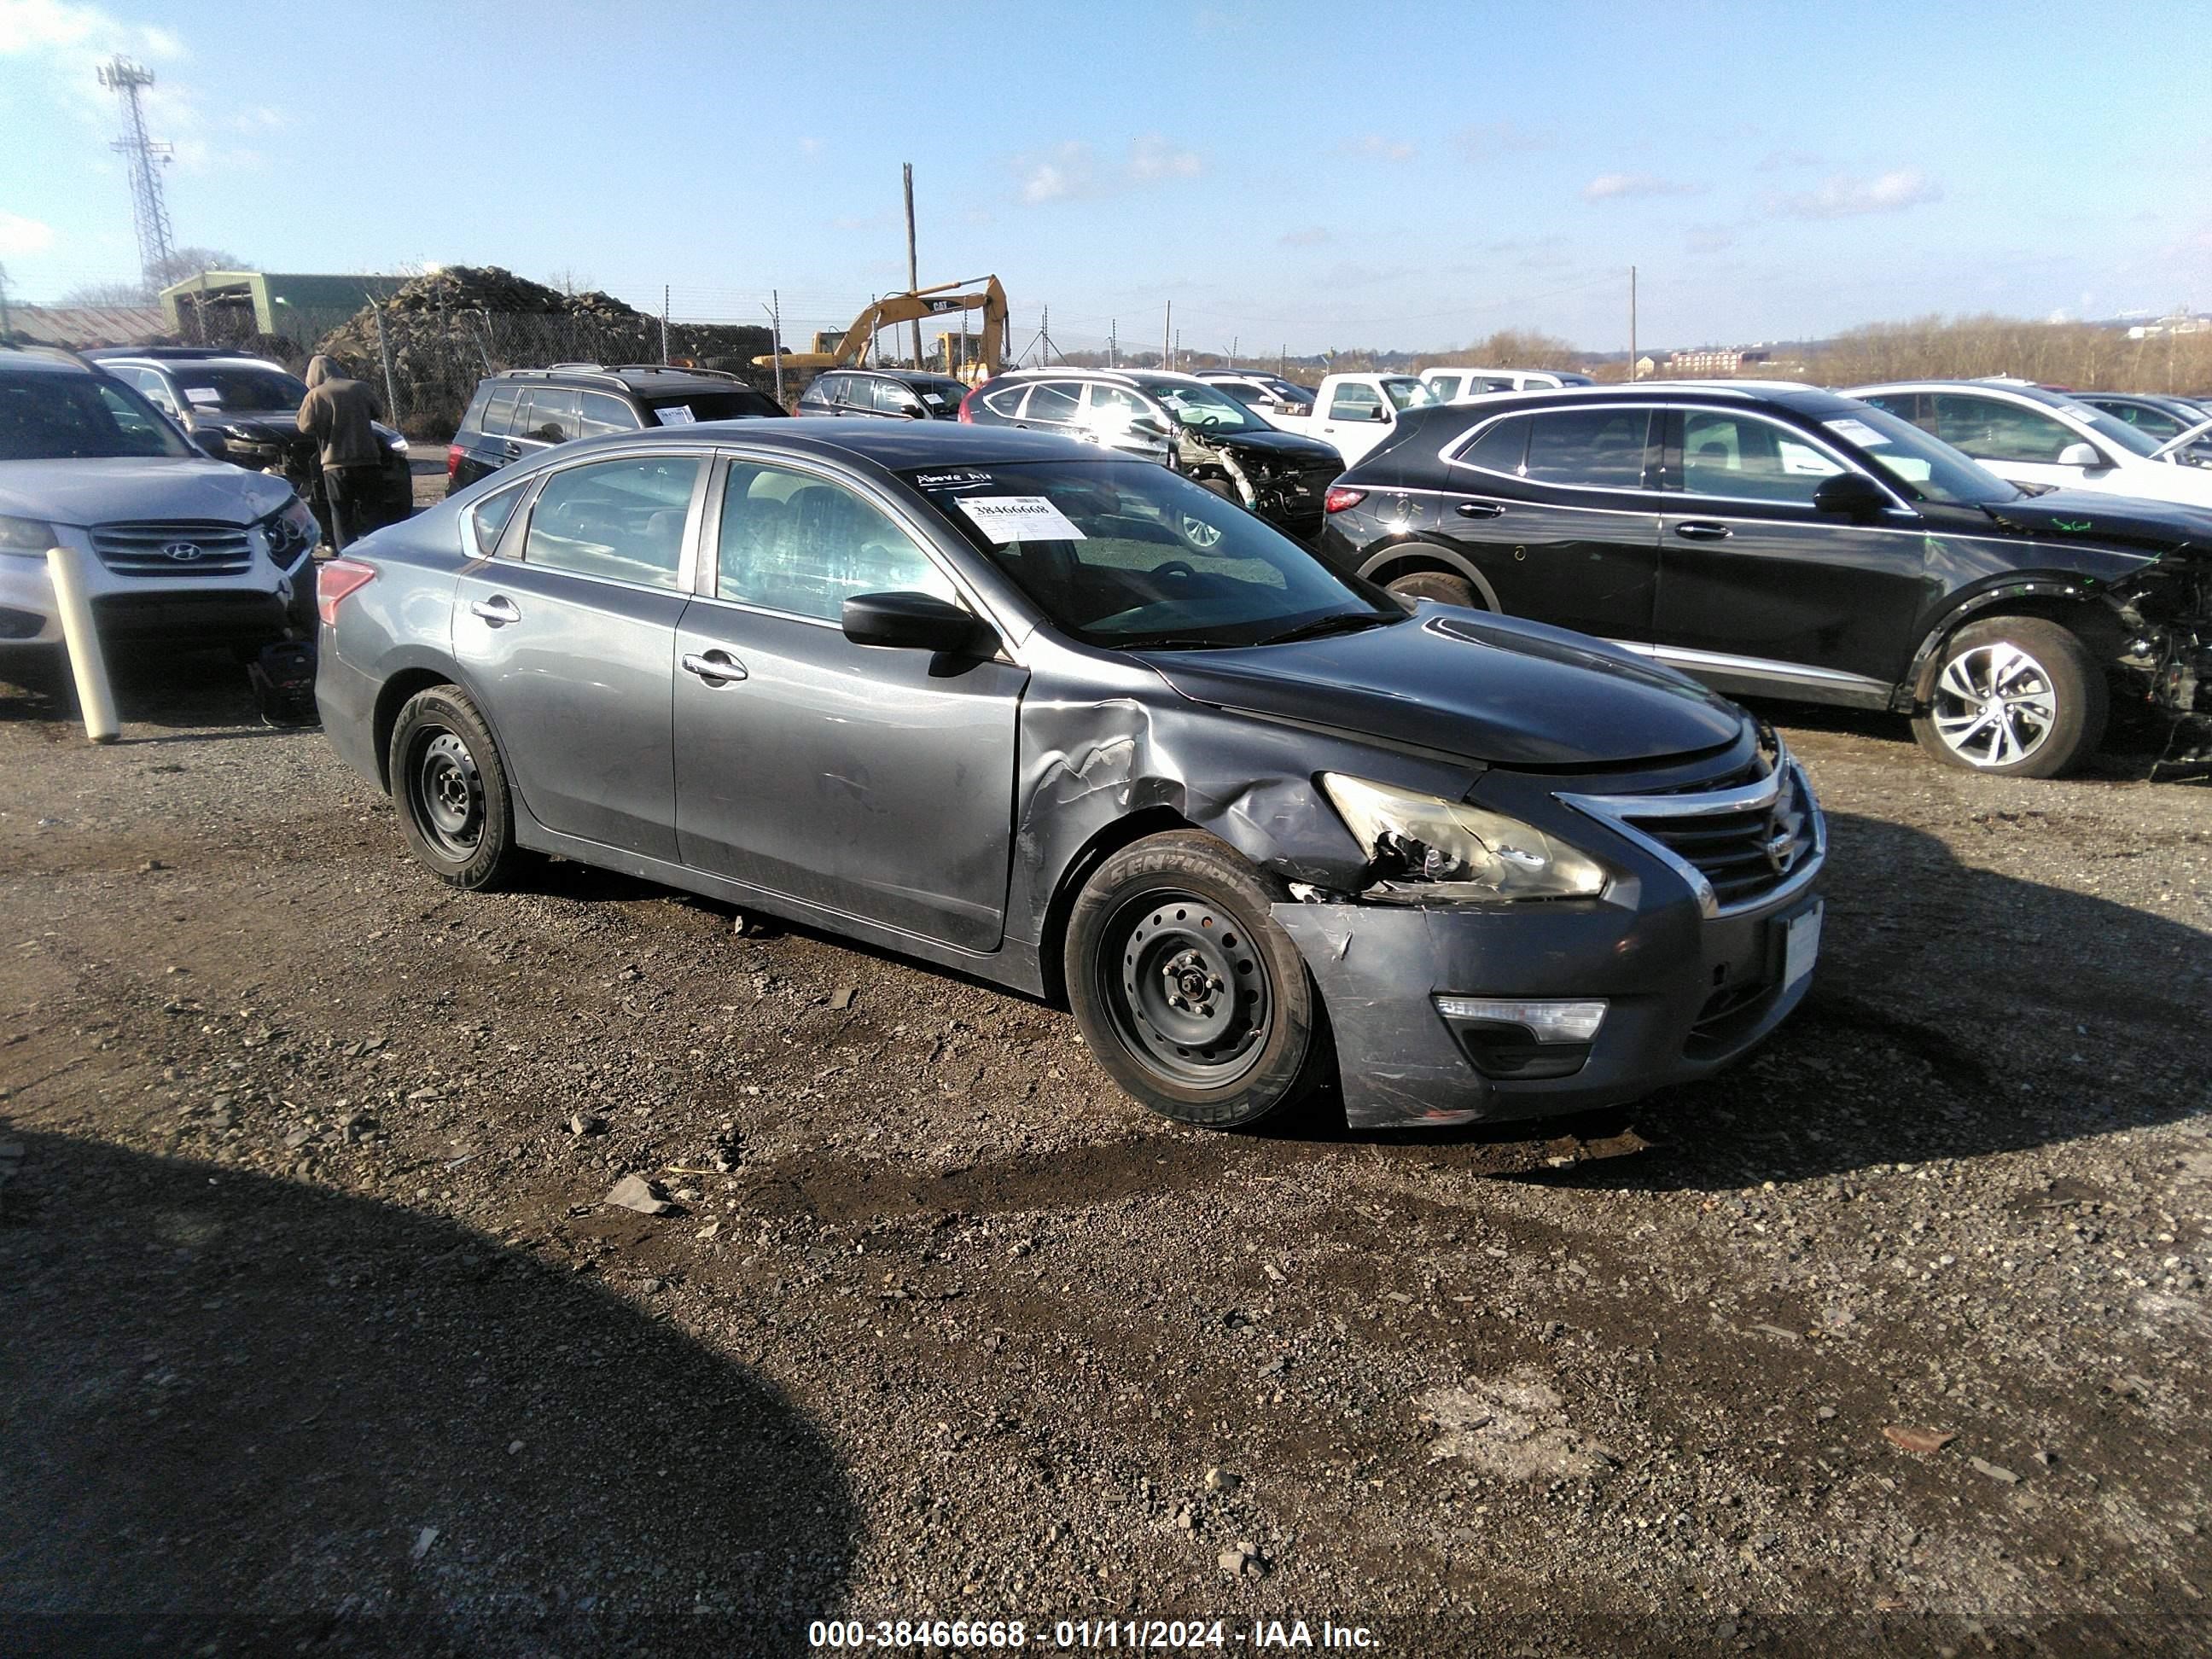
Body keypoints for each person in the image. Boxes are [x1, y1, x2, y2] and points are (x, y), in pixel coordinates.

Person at [295, 354, 385, 550]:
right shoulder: (360, 387)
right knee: (372, 510)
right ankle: (378, 550)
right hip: (369, 459)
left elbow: (304, 426)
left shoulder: (317, 395)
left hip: (336, 462)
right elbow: (378, 412)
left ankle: (346, 552)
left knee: (341, 513)